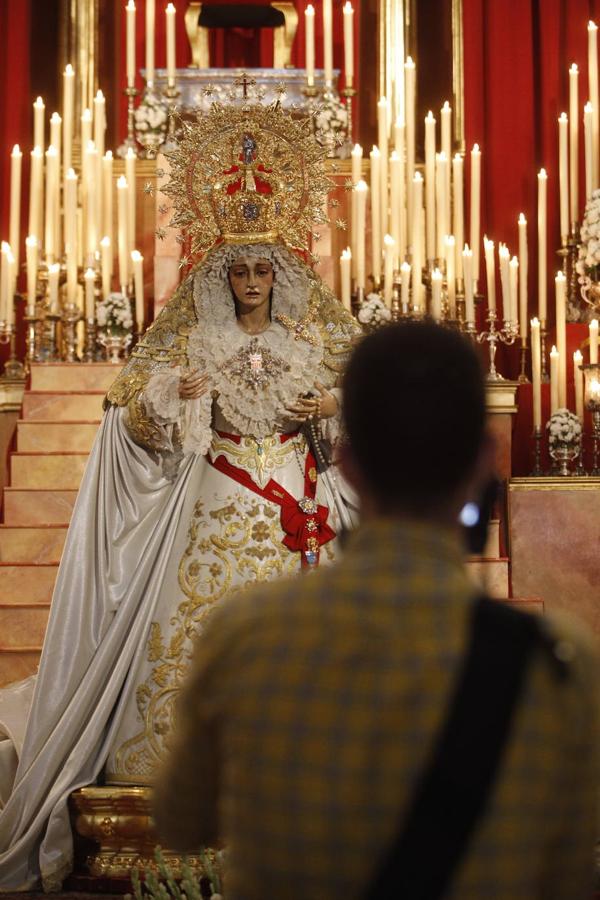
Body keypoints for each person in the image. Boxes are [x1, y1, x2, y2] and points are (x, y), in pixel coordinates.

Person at [0, 98, 359, 890]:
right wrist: (174, 394)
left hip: (298, 507)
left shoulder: (316, 333)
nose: (253, 283)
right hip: (217, 499)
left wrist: (334, 406)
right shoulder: (192, 331)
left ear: (285, 271)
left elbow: (376, 392)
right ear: (220, 273)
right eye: (240, 269)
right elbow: (127, 404)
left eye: (265, 269)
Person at [154, 322, 600, 900]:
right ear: (484, 461)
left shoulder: (247, 636)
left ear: (351, 463)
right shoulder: (560, 665)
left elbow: (181, 822)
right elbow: (570, 874)